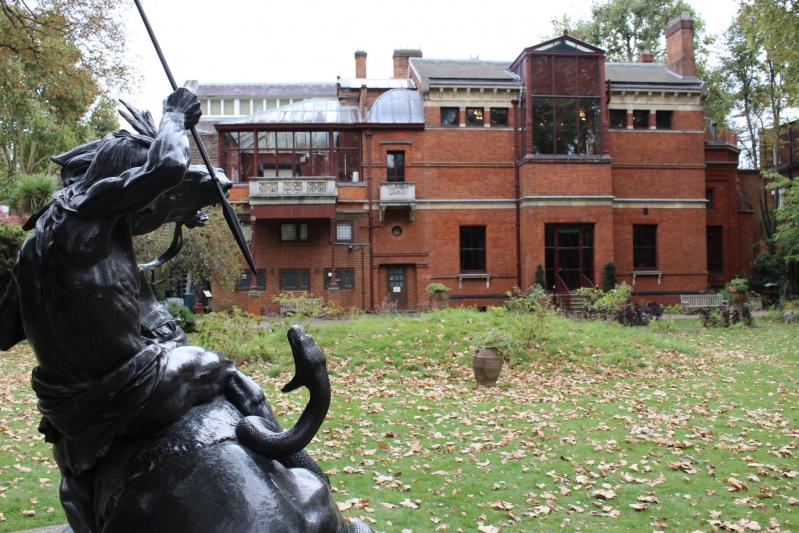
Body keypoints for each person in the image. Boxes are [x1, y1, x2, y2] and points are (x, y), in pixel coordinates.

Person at [0, 89, 325, 532]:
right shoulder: (88, 215)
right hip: (137, 390)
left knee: (76, 474)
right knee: (219, 365)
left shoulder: (35, 248)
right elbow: (166, 167)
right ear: (117, 185)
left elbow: (3, 332)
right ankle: (283, 446)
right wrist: (174, 117)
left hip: (71, 416)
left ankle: (86, 509)